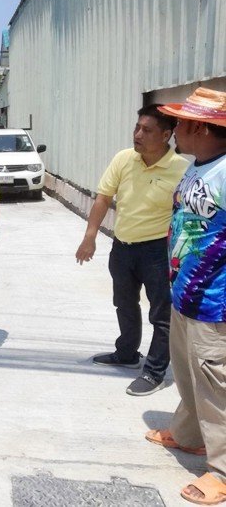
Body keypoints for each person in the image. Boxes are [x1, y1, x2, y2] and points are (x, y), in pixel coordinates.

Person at [144, 87, 226, 505]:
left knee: (217, 386)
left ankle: (222, 472)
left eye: (179, 124)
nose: (173, 131)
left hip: (216, 303)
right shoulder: (198, 167)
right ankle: (190, 436)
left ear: (200, 127)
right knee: (191, 376)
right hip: (185, 296)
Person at [75, 105, 189, 396]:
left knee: (161, 315)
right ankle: (126, 353)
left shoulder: (181, 170)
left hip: (158, 252)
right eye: (137, 127)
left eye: (146, 130)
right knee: (124, 304)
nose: (138, 134)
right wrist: (90, 237)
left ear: (166, 135)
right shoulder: (124, 159)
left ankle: (153, 372)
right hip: (122, 246)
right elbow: (103, 198)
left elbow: (187, 217)